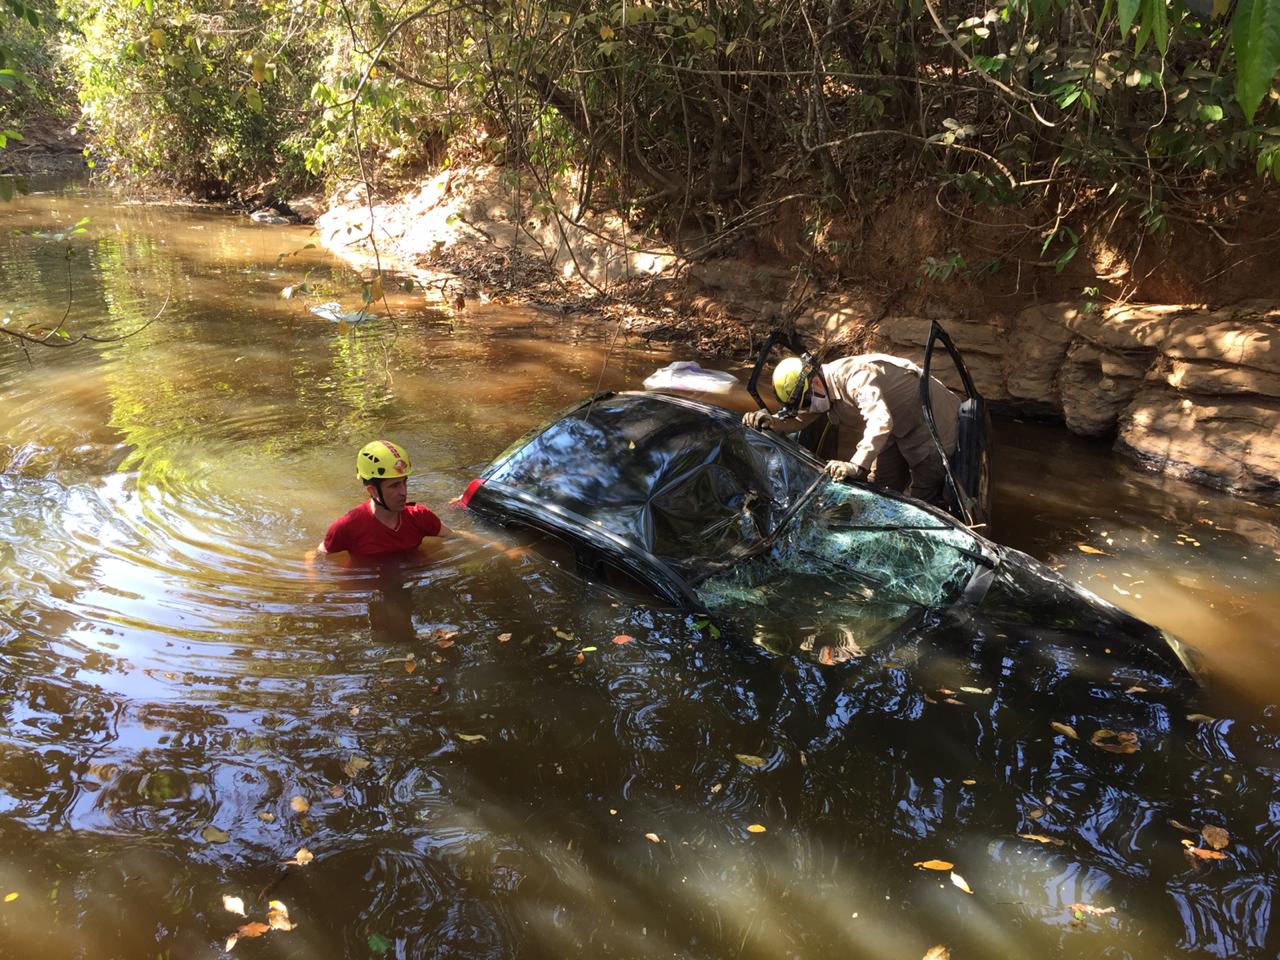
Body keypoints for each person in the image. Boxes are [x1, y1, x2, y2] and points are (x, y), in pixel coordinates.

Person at [743, 353, 961, 506]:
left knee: (921, 498)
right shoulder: (818, 391)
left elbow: (880, 421)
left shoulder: (855, 377)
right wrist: (772, 422)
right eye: (802, 405)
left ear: (815, 383)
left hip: (930, 423)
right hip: (895, 429)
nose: (807, 409)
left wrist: (855, 465)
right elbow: (802, 418)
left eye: (806, 402)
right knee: (881, 488)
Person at [310, 439, 521, 559]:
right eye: (394, 485)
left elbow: (457, 535)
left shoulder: (419, 516)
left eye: (404, 482)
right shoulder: (348, 526)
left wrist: (504, 550)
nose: (403, 491)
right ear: (372, 491)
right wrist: (316, 584)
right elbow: (316, 556)